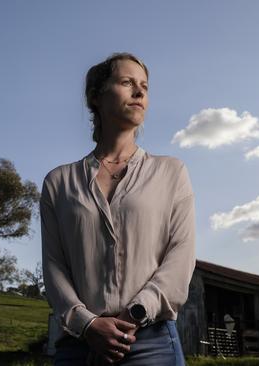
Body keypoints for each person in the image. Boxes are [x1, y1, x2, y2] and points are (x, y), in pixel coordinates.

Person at [41, 52, 196, 366]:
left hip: (151, 341)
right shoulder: (59, 182)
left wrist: (135, 313)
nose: (139, 92)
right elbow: (54, 267)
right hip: (78, 345)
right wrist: (88, 324)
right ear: (96, 96)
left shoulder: (171, 172)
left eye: (144, 86)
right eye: (127, 83)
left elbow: (181, 254)